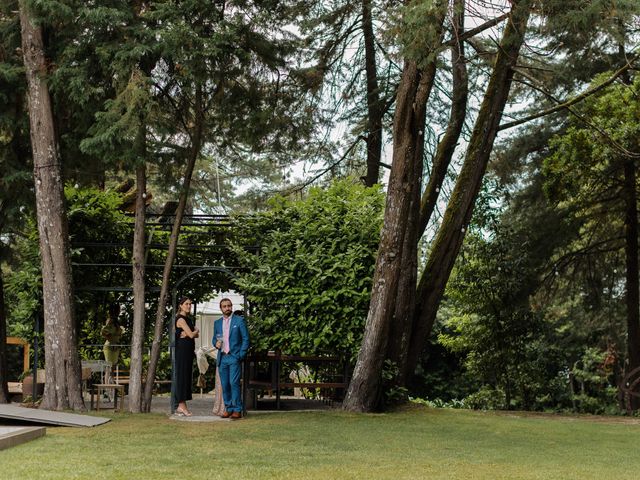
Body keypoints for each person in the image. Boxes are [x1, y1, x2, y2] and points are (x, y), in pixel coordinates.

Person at [213, 298, 250, 419]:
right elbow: (215, 339)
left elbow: (246, 339)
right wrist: (215, 344)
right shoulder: (217, 323)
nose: (227, 308)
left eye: (229, 306)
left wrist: (241, 354)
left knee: (234, 383)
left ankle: (237, 409)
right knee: (225, 384)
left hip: (234, 357)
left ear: (231, 306)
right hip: (222, 357)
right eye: (224, 306)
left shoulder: (239, 321)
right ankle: (228, 408)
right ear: (221, 308)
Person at [175, 296, 199, 416]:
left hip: (188, 352)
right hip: (182, 353)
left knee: (187, 377)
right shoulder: (180, 319)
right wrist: (192, 333)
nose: (189, 306)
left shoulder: (188, 319)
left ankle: (182, 405)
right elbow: (192, 333)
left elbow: (195, 334)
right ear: (181, 305)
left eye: (190, 304)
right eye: (186, 304)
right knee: (182, 378)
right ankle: (181, 406)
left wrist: (192, 334)